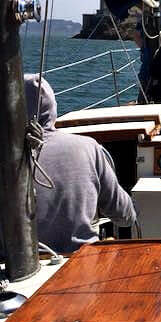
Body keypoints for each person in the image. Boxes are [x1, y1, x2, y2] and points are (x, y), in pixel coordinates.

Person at [22, 74, 137, 254]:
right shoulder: (88, 147)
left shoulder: (9, 156)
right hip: (79, 264)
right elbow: (124, 215)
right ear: (52, 108)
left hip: (12, 271)